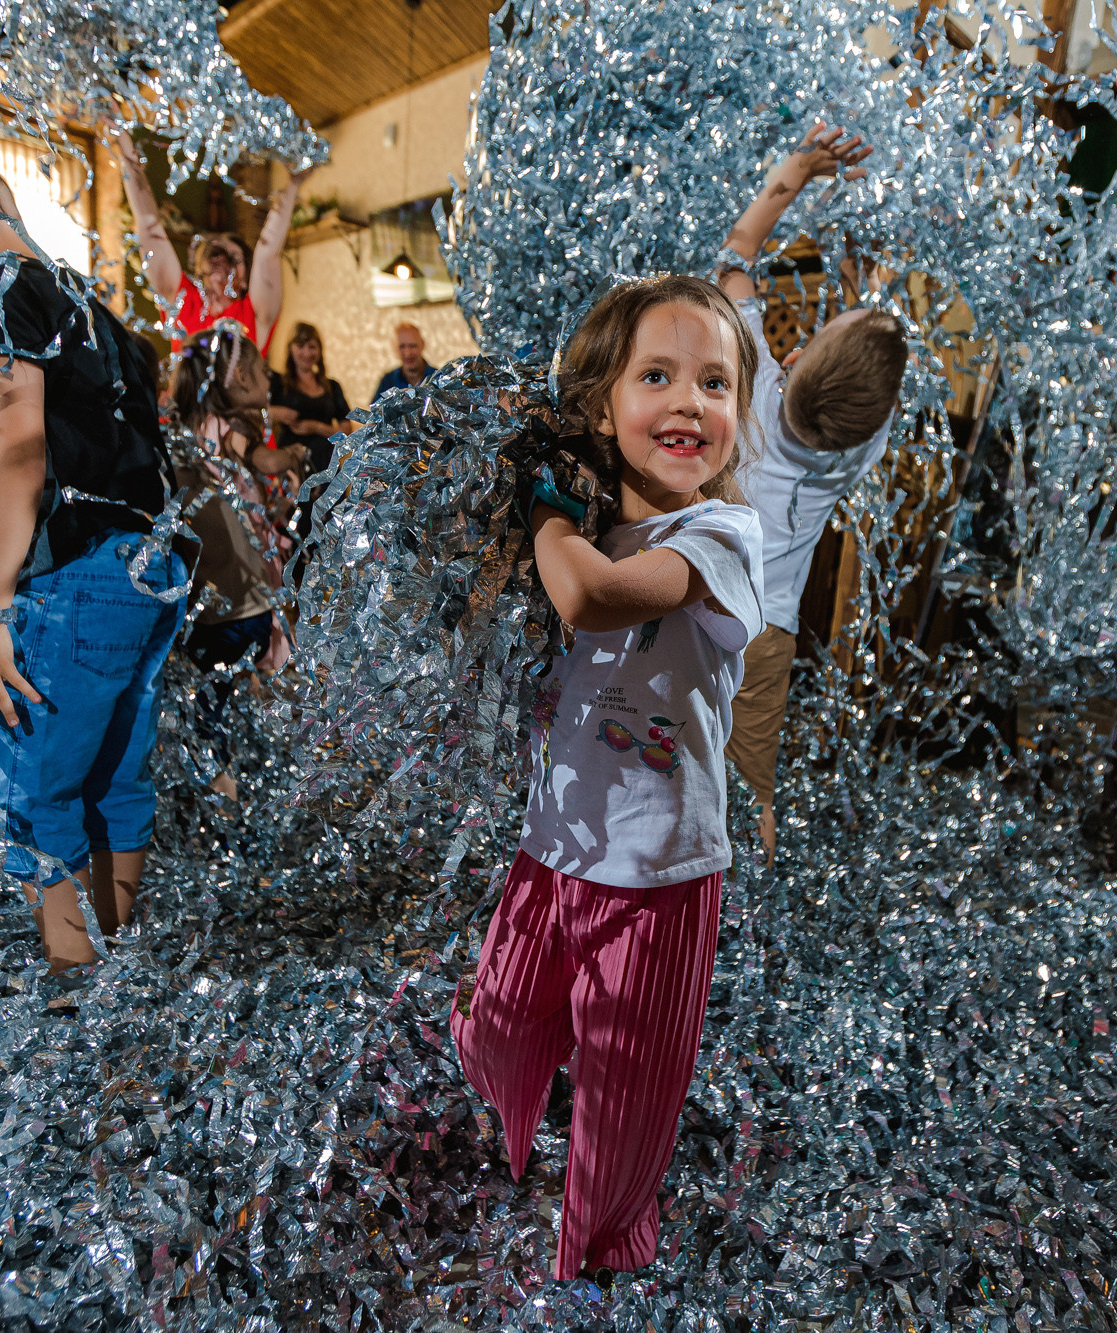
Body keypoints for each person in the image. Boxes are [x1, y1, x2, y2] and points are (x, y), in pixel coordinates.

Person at [450, 274, 765, 1279]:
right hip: (553, 845)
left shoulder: (719, 537)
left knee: (626, 1092)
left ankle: (602, 1246)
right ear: (600, 407)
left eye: (714, 383)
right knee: (498, 1027)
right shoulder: (583, 534)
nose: (689, 403)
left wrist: (546, 516)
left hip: (659, 873)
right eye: (656, 376)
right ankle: (508, 1117)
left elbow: (593, 600)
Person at [0, 147, 184, 974]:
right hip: (146, 568)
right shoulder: (86, 300)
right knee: (113, 781)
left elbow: (16, 446)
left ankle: (74, 990)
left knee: (28, 794)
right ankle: (116, 967)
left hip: (74, 578)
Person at [712, 120, 905, 862]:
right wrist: (864, 275)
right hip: (769, 631)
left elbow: (737, 254)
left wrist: (799, 169)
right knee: (750, 785)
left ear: (796, 357)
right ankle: (746, 897)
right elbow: (873, 354)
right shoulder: (863, 445)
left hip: (699, 602)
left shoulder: (752, 385)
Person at [170, 325, 302, 802]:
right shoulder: (235, 427)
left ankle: (218, 784)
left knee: (210, 704)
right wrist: (292, 455)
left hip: (211, 600)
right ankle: (233, 795)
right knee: (234, 699)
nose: (270, 378)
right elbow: (262, 461)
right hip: (242, 603)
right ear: (242, 377)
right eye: (262, 370)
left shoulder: (185, 434)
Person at [108, 124, 311, 356]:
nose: (221, 261)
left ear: (246, 281)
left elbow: (267, 253)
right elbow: (149, 226)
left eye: (233, 258)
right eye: (214, 253)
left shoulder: (253, 315)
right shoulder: (183, 302)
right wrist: (124, 145)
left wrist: (293, 185)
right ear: (199, 268)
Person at [269, 321, 354, 474]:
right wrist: (277, 413)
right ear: (290, 348)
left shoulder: (332, 386)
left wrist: (316, 427)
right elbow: (256, 412)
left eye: (312, 347)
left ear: (320, 350)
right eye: (300, 346)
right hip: (292, 465)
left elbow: (346, 434)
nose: (307, 353)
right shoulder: (279, 383)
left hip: (326, 466)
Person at [373, 322, 434, 401]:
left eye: (412, 346)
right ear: (394, 348)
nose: (408, 353)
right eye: (402, 347)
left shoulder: (437, 377)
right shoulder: (388, 381)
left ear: (423, 345)